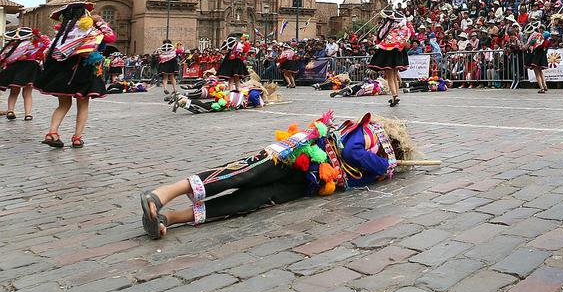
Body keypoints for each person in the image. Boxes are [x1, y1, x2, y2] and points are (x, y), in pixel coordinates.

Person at [138, 112, 419, 238]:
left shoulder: (377, 168)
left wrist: (383, 171)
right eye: (393, 150)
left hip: (307, 183)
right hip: (295, 156)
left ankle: (170, 218)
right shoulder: (368, 132)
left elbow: (354, 177)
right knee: (243, 174)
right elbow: (353, 154)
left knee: (251, 201)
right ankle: (162, 194)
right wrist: (386, 165)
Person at [35, 2, 116, 148]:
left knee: (63, 104)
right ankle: (77, 138)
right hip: (83, 71)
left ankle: (52, 133)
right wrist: (100, 22)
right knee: (83, 105)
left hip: (61, 73)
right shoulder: (90, 31)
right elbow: (110, 37)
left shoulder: (61, 35)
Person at [0, 27, 50, 121]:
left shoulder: (10, 47)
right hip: (29, 69)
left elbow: (5, 59)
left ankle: (10, 111)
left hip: (15, 69)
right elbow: (46, 44)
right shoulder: (33, 45)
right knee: (27, 93)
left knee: (14, 92)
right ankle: (28, 114)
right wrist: (38, 36)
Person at [367, 10, 414, 107]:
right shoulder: (402, 26)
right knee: (395, 75)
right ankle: (395, 97)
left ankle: (395, 96)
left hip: (388, 50)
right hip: (398, 50)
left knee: (390, 76)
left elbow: (380, 35)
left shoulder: (388, 23)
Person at [524, 23, 550, 93]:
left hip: (535, 56)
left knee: (537, 72)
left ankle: (541, 88)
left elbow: (528, 46)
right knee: (540, 71)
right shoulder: (542, 37)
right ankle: (545, 85)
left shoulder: (533, 37)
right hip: (541, 55)